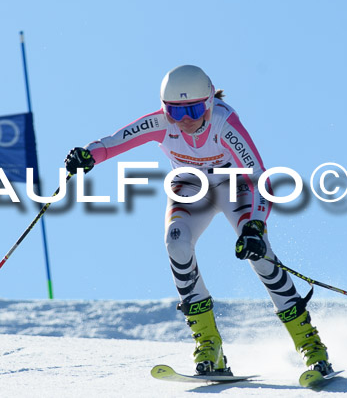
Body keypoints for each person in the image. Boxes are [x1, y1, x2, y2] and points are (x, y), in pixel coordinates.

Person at [65, 65, 332, 376]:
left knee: (259, 257)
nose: (186, 119)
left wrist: (254, 227)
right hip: (191, 187)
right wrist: (88, 155)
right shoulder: (161, 123)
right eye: (175, 112)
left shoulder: (224, 123)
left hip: (236, 186)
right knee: (175, 242)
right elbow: (115, 141)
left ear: (208, 103)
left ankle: (311, 345)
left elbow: (260, 177)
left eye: (193, 109)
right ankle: (209, 345)